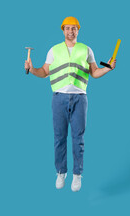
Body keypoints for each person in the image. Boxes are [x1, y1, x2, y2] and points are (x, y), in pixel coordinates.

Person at [24, 16, 116, 192]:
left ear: (78, 30)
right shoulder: (54, 50)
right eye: (67, 28)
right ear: (63, 30)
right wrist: (31, 68)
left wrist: (107, 68)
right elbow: (44, 72)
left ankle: (77, 175)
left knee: (78, 139)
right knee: (59, 137)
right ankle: (61, 172)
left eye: (74, 28)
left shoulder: (86, 49)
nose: (70, 31)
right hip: (58, 98)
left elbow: (94, 72)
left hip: (80, 98)